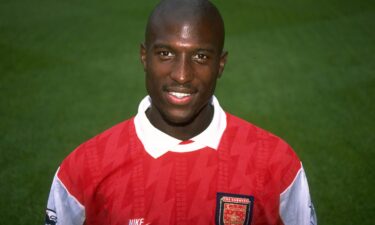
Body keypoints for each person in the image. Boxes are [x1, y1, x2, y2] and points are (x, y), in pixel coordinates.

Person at [45, 0, 317, 224]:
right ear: (144, 57)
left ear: (220, 65)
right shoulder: (83, 171)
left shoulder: (277, 165)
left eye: (200, 57)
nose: (182, 75)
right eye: (165, 54)